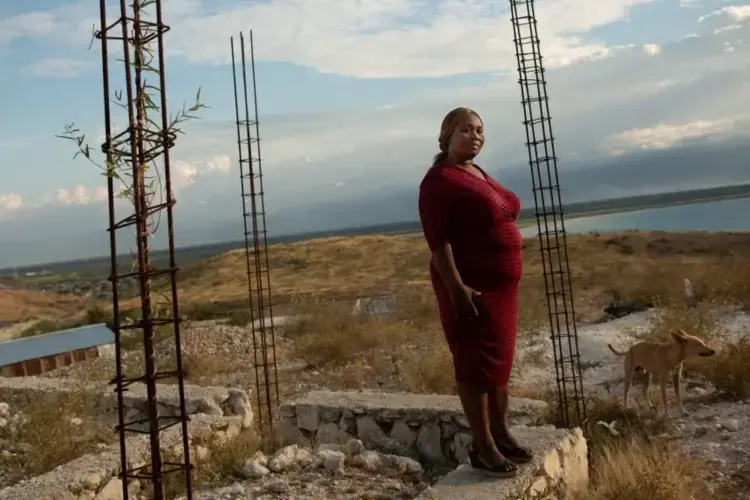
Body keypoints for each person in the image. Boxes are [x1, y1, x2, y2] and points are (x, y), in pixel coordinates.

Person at [418, 107, 533, 477]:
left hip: (502, 292)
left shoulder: (477, 173)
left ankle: (500, 434)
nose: (476, 136)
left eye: (480, 130)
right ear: (446, 135)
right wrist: (456, 288)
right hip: (470, 289)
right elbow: (438, 241)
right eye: (466, 130)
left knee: (499, 364)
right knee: (474, 364)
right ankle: (482, 447)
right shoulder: (439, 180)